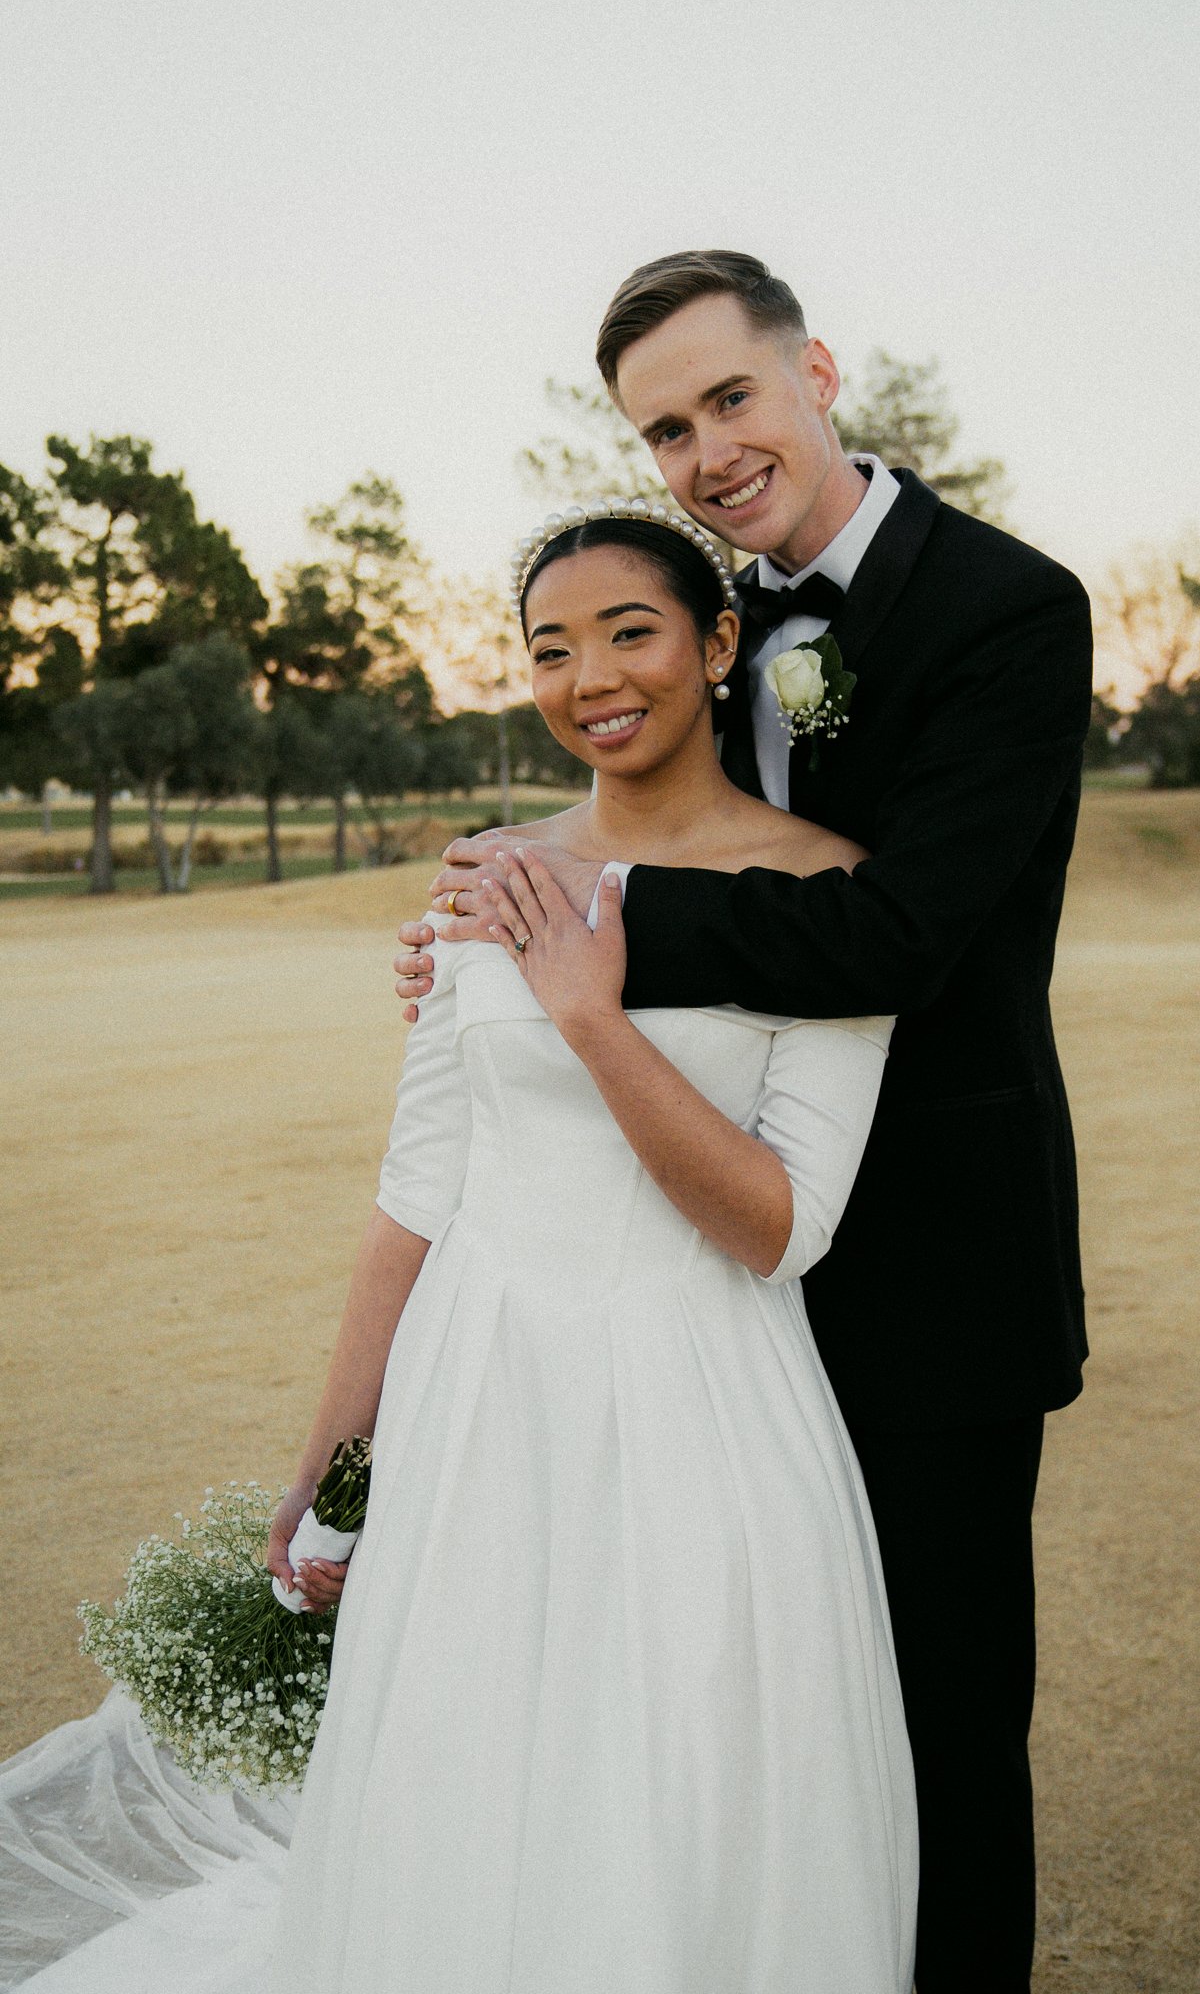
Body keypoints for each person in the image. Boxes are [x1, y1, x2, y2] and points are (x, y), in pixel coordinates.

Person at [0, 510, 916, 1993]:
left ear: (717, 643)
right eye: (551, 647)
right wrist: (332, 1456)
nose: (590, 676)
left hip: (702, 1414)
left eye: (631, 630)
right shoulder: (482, 880)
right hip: (479, 1405)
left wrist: (589, 1015)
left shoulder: (831, 890)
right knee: (467, 1768)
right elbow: (414, 1195)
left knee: (674, 1774)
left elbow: (779, 1229)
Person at [397, 250, 1093, 1992]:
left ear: (817, 374)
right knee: (725, 1707)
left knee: (932, 1717)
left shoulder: (1004, 607)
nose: (706, 450)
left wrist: (577, 924)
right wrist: (494, 941)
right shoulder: (735, 618)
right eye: (663, 427)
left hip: (923, 1254)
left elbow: (898, 933)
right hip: (703, 1284)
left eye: (729, 397)